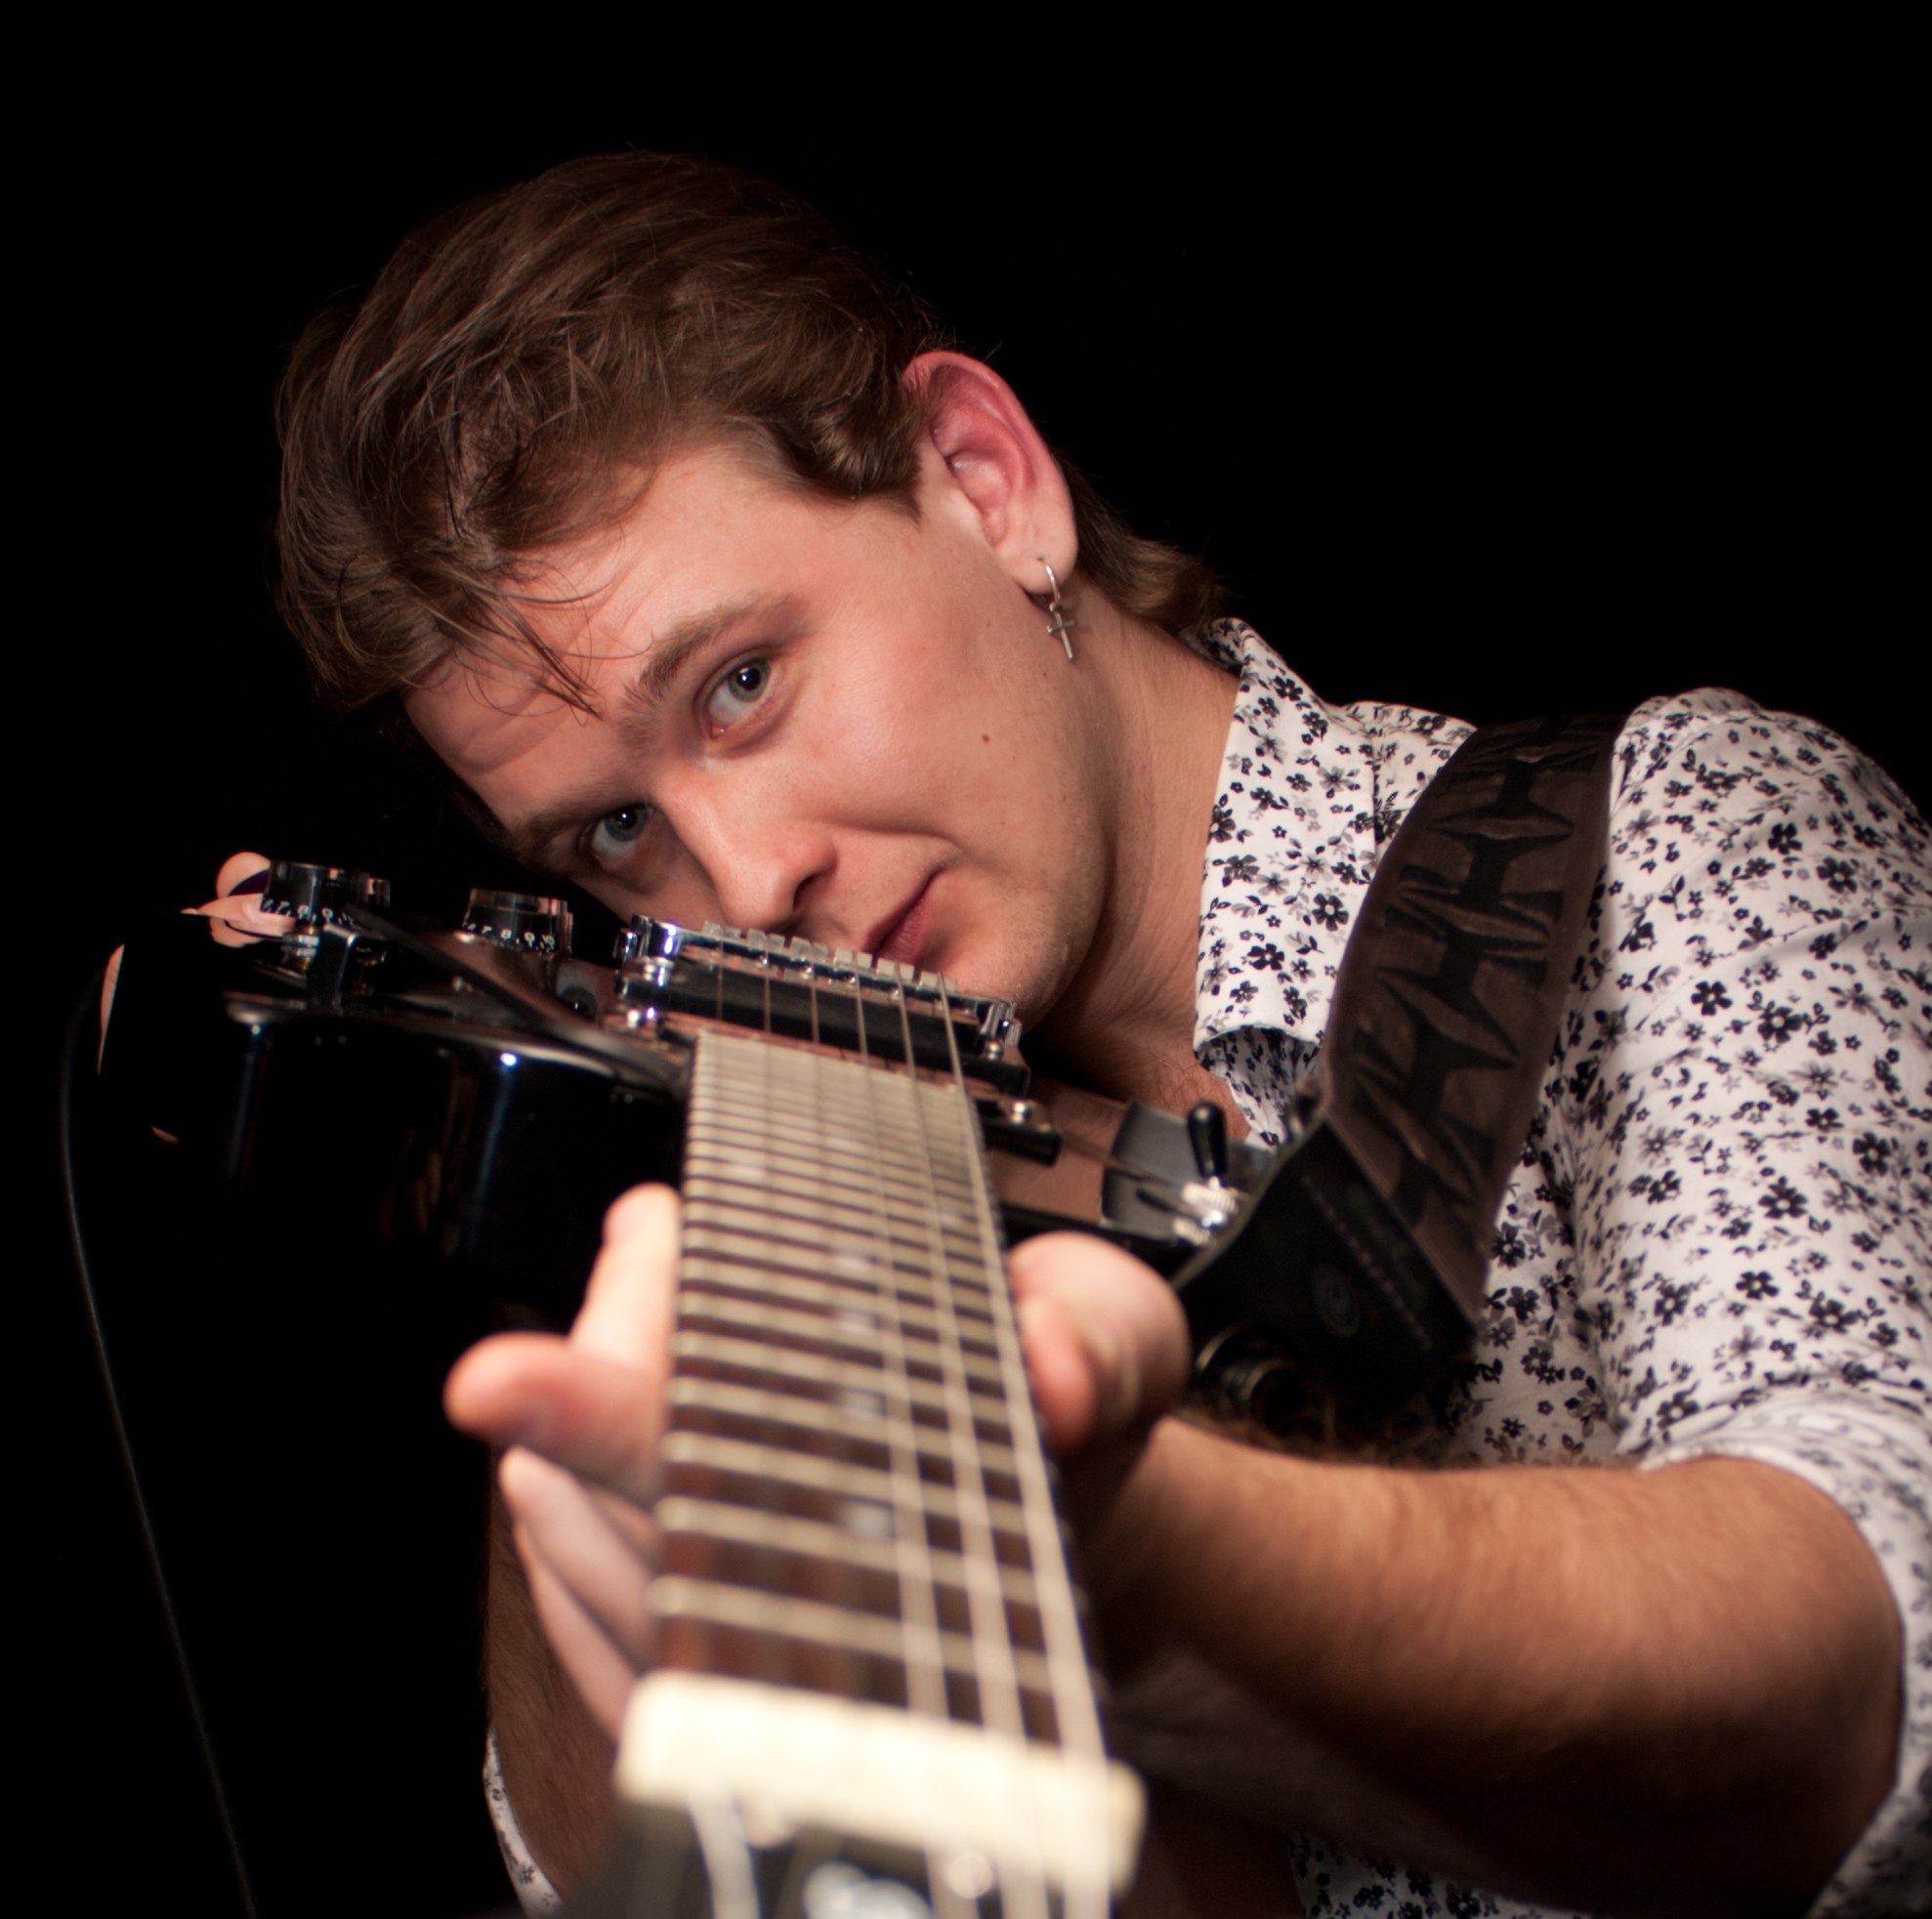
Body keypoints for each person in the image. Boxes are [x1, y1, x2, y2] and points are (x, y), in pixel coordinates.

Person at [269, 151, 1927, 1917]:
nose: (743, 882)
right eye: (616, 832)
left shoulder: (1670, 833)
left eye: (740, 682)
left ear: (986, 483)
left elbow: (1873, 1661)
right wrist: (589, 1259)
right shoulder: (825, 1175)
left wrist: (1119, 1559)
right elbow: (629, 1888)